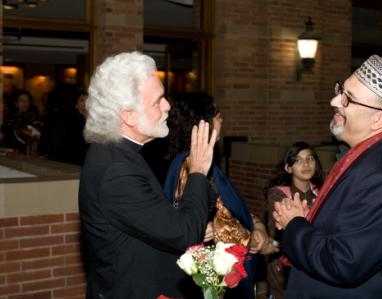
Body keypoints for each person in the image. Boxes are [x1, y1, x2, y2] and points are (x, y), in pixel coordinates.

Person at [273, 55, 382, 299]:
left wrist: (294, 226)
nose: (335, 100)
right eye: (339, 90)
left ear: (379, 119)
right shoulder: (361, 155)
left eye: (348, 98)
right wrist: (303, 219)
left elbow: (343, 262)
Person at [78, 52, 217, 299]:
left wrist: (193, 223)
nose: (167, 106)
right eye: (158, 101)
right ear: (128, 115)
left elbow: (152, 221)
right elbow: (182, 234)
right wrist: (197, 171)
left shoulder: (116, 152)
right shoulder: (116, 169)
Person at [164, 92, 276, 299]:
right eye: (215, 113)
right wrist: (252, 238)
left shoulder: (203, 164)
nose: (221, 118)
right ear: (202, 123)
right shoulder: (191, 166)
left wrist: (257, 225)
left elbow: (226, 209)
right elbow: (190, 225)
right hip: (215, 280)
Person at [263, 141, 324, 299]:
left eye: (310, 158)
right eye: (298, 160)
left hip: (313, 264)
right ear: (288, 168)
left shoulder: (322, 193)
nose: (306, 164)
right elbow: (279, 232)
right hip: (284, 270)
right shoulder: (278, 194)